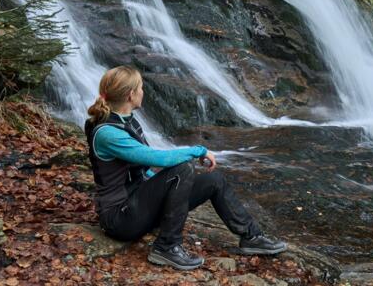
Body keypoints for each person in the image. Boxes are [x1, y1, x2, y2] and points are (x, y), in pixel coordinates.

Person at [84, 65, 287, 270]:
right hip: (120, 218)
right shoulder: (108, 133)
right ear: (130, 95)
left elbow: (142, 167)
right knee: (182, 169)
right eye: (141, 87)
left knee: (213, 180)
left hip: (137, 205)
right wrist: (198, 150)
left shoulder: (126, 120)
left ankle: (251, 236)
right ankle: (166, 247)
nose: (143, 92)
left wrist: (163, 187)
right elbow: (156, 158)